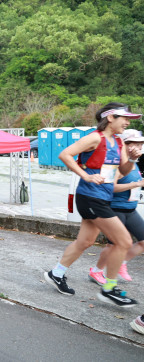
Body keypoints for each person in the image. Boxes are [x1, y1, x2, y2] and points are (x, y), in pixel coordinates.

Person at [44, 103, 141, 307]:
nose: (127, 122)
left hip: (102, 198)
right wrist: (86, 176)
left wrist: (132, 159)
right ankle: (109, 289)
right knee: (123, 241)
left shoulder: (118, 142)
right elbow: (65, 155)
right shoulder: (95, 138)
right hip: (90, 198)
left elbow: (123, 171)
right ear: (110, 118)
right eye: (124, 118)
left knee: (85, 242)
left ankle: (56, 273)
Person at [88, 129, 144, 284]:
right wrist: (136, 184)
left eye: (141, 143)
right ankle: (96, 271)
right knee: (113, 245)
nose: (139, 146)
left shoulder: (134, 163)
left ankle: (121, 263)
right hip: (115, 209)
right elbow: (110, 187)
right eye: (135, 143)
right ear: (124, 144)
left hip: (130, 209)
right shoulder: (118, 165)